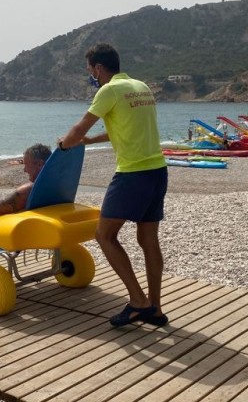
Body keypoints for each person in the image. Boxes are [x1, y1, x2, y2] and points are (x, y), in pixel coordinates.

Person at [58, 43, 168, 328]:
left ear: (97, 68)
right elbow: (126, 126)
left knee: (104, 235)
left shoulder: (107, 91)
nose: (91, 76)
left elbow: (79, 128)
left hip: (132, 173)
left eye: (90, 70)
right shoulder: (141, 87)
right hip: (157, 170)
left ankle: (137, 301)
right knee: (148, 240)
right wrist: (92, 142)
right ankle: (154, 307)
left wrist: (63, 145)